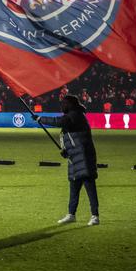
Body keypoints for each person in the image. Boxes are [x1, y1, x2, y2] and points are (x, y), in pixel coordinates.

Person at [32, 95, 99, 226]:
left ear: (71, 104)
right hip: (74, 158)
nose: (62, 106)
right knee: (74, 189)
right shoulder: (73, 115)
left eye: (64, 103)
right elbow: (70, 137)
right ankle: (71, 214)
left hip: (84, 158)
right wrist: (65, 150)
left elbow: (60, 122)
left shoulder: (76, 115)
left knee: (90, 188)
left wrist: (41, 119)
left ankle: (95, 216)